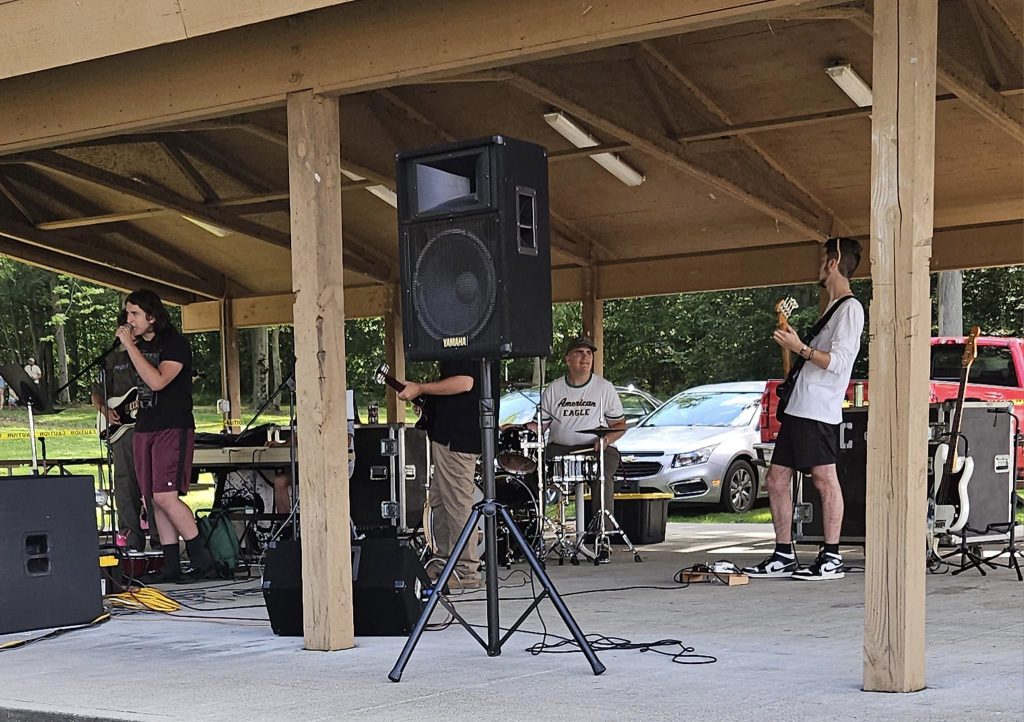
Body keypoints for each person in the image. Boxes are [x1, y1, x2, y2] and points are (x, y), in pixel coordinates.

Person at [743, 237, 865, 581]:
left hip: (817, 410)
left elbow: (840, 362)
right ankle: (783, 553)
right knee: (777, 477)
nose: (818, 267)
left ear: (834, 261)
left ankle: (831, 555)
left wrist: (801, 348)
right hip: (801, 407)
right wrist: (799, 344)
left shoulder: (851, 308)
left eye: (823, 259)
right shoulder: (833, 307)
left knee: (824, 479)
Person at [116, 289, 216, 583]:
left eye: (134, 313)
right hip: (144, 426)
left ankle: (202, 558)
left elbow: (158, 381)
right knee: (153, 499)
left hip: (172, 426)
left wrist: (131, 348)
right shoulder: (136, 344)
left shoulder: (175, 344)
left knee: (166, 495)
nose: (129, 319)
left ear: (152, 316)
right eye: (127, 313)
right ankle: (170, 563)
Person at [397, 360, 498, 590]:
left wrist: (421, 388)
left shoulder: (466, 344)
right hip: (447, 435)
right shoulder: (467, 339)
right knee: (440, 500)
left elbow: (464, 383)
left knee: (457, 503)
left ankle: (466, 570)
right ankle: (444, 561)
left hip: (458, 438)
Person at [536, 335, 625, 561]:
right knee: (531, 472)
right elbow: (541, 425)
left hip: (594, 449)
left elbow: (619, 426)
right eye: (578, 353)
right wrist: (514, 428)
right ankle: (532, 534)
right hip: (559, 449)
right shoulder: (554, 389)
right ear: (567, 359)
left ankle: (600, 538)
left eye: (588, 353)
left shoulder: (604, 388)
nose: (585, 357)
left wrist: (605, 440)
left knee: (603, 475)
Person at [91, 310, 155, 552]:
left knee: (152, 483)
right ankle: (131, 541)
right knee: (125, 482)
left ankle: (161, 541)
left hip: (150, 426)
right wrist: (104, 410)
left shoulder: (153, 351)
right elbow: (97, 392)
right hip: (121, 429)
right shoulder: (111, 358)